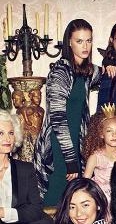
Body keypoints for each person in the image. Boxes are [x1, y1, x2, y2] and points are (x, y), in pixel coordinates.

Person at [34, 19, 104, 206]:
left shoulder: (86, 71)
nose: (85, 46)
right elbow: (57, 119)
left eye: (88, 41)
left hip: (77, 144)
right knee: (55, 201)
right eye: (79, 41)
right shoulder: (60, 71)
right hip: (58, 147)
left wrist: (110, 63)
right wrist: (70, 159)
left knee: (74, 202)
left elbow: (103, 73)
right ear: (69, 43)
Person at [82, 106, 116, 222]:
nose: (114, 135)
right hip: (101, 199)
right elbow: (84, 183)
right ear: (101, 134)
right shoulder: (95, 157)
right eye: (109, 131)